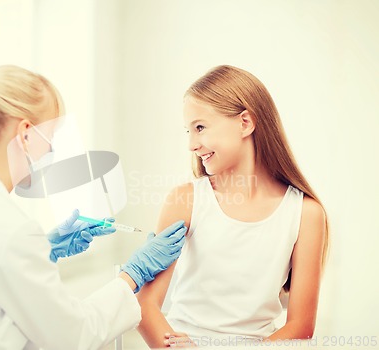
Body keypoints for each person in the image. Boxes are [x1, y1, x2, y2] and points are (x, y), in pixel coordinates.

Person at [0, 65, 187, 350]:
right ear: (26, 133)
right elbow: (75, 335)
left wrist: (44, 250)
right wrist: (133, 274)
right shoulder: (9, 230)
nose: (52, 152)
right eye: (52, 138)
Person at [136, 65, 329, 348]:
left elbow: (301, 326)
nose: (191, 144)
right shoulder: (185, 201)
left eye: (200, 127)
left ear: (245, 123)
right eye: (188, 131)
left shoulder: (306, 214)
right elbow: (145, 306)